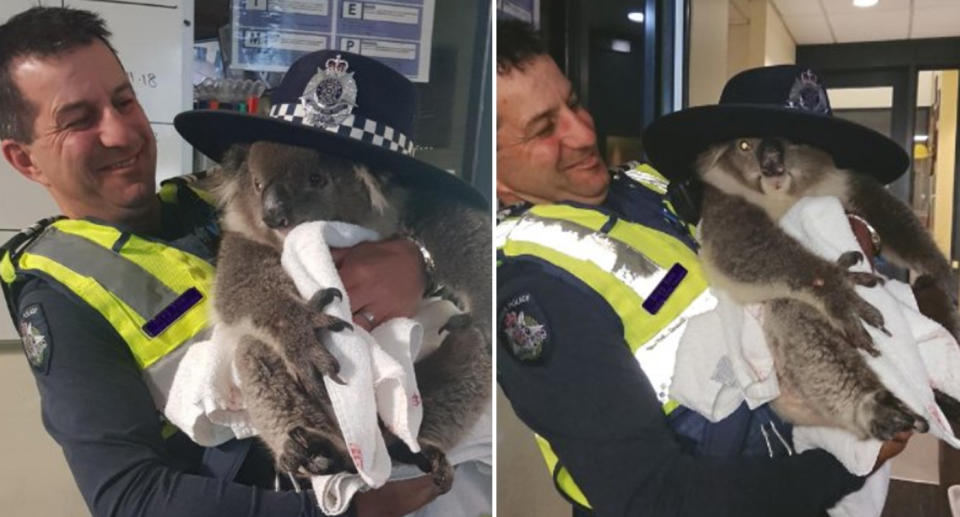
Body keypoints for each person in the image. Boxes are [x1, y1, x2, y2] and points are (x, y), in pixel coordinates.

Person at [0, 7, 476, 517]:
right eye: (78, 121)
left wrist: (419, 260)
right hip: (294, 488)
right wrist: (345, 514)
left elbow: (429, 234)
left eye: (124, 100)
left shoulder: (218, 195)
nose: (121, 133)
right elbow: (128, 497)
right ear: (25, 159)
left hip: (422, 443)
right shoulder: (59, 293)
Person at [495, 19, 909, 517]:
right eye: (543, 129)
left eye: (575, 103)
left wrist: (857, 234)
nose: (584, 133)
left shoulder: (647, 185)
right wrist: (848, 465)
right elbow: (656, 499)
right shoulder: (536, 293)